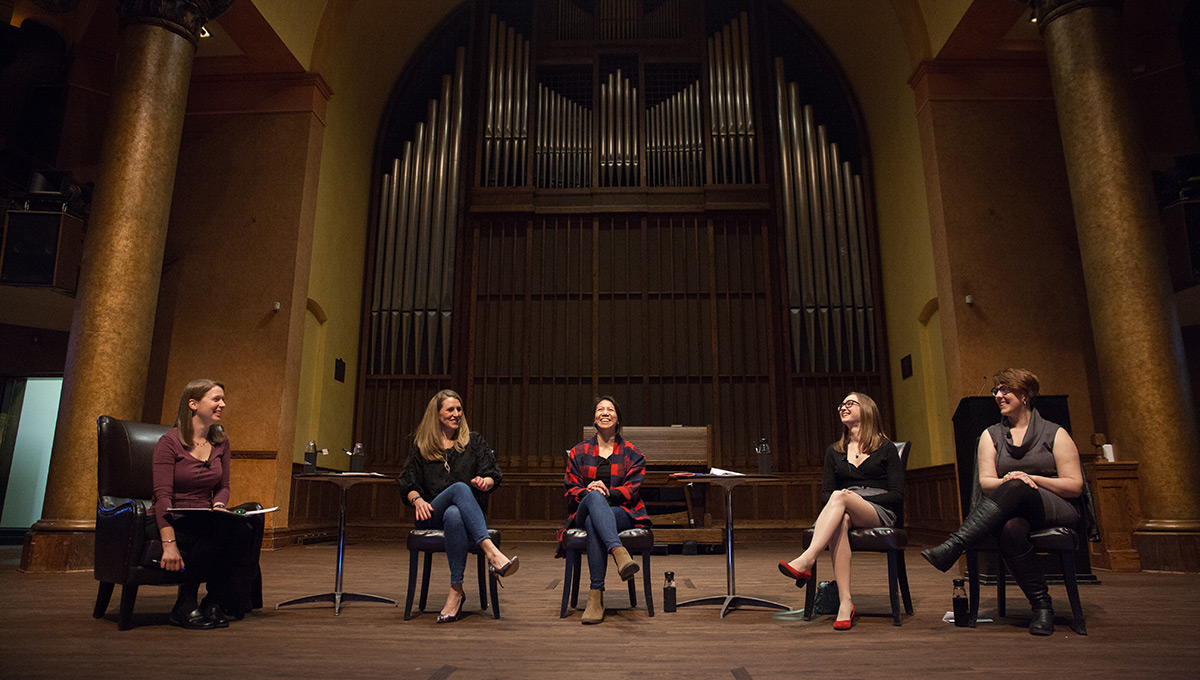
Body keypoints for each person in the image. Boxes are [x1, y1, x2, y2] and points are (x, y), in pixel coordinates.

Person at [922, 368, 1084, 636]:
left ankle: (955, 545)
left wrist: (1030, 479)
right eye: (996, 390)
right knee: (1011, 530)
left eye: (1005, 389)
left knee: (1017, 484)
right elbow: (987, 483)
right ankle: (1042, 607)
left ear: (1025, 394)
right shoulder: (991, 435)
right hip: (1013, 506)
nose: (998, 395)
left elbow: (1074, 486)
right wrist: (1014, 482)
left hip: (1055, 505)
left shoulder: (1056, 433)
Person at [777, 392, 904, 630]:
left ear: (866, 409)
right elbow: (826, 494)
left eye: (850, 404)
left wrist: (855, 497)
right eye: (841, 405)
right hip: (844, 506)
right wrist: (846, 499)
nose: (843, 408)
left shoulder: (886, 448)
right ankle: (845, 602)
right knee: (840, 518)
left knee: (840, 497)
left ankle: (808, 559)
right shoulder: (834, 451)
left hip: (879, 510)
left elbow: (897, 495)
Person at [398, 389, 518, 623]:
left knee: (455, 513)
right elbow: (407, 483)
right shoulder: (422, 445)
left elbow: (494, 476)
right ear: (437, 414)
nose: (456, 414)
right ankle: (492, 553)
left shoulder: (474, 442)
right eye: (450, 410)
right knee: (460, 489)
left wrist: (485, 482)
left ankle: (456, 591)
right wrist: (417, 499)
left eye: (459, 409)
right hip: (430, 513)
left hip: (467, 516)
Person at [151, 379, 260, 629]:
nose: (222, 404)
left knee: (243, 530)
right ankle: (185, 603)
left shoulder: (221, 441)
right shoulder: (169, 443)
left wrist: (220, 506)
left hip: (207, 516)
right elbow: (162, 496)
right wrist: (168, 544)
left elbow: (223, 487)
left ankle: (213, 600)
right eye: (216, 399)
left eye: (222, 399)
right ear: (193, 404)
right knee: (215, 534)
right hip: (173, 518)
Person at [558, 396, 652, 624]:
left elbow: (633, 489)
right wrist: (588, 491)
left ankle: (595, 596)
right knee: (593, 499)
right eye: (600, 409)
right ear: (594, 418)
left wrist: (609, 492)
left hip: (620, 512)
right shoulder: (578, 451)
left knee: (594, 522)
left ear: (618, 419)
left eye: (610, 409)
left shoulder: (632, 452)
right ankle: (619, 553)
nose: (605, 413)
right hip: (583, 508)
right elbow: (570, 487)